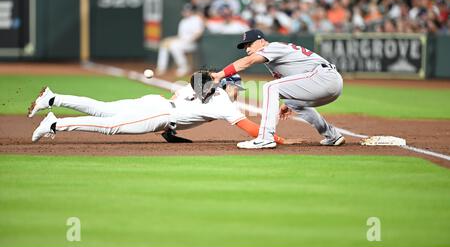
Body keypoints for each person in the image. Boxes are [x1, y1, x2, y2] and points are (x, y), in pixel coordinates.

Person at [28, 72, 296, 145]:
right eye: (238, 87)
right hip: (160, 114)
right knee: (110, 127)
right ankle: (55, 124)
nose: (239, 92)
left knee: (102, 109)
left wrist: (172, 129)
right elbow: (250, 129)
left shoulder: (202, 88)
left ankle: (53, 98)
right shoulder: (223, 101)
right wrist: (278, 139)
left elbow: (177, 92)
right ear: (229, 85)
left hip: (154, 104)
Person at [211, 29, 345, 149]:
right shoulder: (272, 60)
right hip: (327, 83)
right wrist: (287, 103)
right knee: (293, 102)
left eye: (250, 44)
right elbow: (289, 84)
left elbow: (248, 61)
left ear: (262, 41)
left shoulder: (272, 47)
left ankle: (265, 138)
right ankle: (333, 136)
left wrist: (220, 74)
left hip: (324, 77)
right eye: (245, 46)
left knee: (270, 87)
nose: (247, 49)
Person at [156, 4, 204, 77]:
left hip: (192, 43)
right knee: (164, 44)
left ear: (192, 11)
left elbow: (199, 33)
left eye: (188, 11)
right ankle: (161, 68)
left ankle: (184, 67)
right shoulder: (183, 21)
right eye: (185, 11)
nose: (186, 12)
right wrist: (170, 39)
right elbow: (180, 36)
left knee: (174, 46)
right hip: (182, 42)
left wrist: (188, 40)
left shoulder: (196, 19)